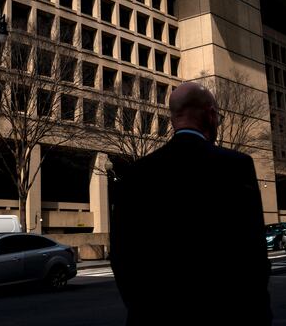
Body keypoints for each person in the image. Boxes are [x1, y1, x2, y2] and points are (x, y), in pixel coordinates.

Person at [110, 82, 272, 325]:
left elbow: (122, 255)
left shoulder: (137, 173)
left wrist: (142, 308)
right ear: (210, 114)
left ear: (174, 118)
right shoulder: (235, 166)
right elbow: (253, 253)